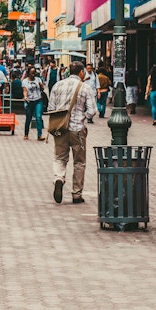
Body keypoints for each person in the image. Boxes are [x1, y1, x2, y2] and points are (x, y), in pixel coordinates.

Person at [46, 62, 95, 204]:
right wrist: (83, 117)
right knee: (79, 162)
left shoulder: (57, 86)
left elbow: (51, 108)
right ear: (81, 72)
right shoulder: (85, 87)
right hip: (77, 129)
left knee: (60, 158)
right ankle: (76, 194)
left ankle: (58, 179)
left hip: (60, 129)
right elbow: (92, 111)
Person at [22, 66, 46, 141]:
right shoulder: (25, 81)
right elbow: (25, 90)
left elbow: (42, 89)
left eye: (34, 73)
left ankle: (39, 135)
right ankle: (26, 134)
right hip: (29, 101)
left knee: (38, 117)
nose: (33, 75)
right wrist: (25, 97)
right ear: (28, 73)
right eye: (32, 73)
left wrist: (41, 85)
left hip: (38, 100)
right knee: (28, 118)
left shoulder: (38, 79)